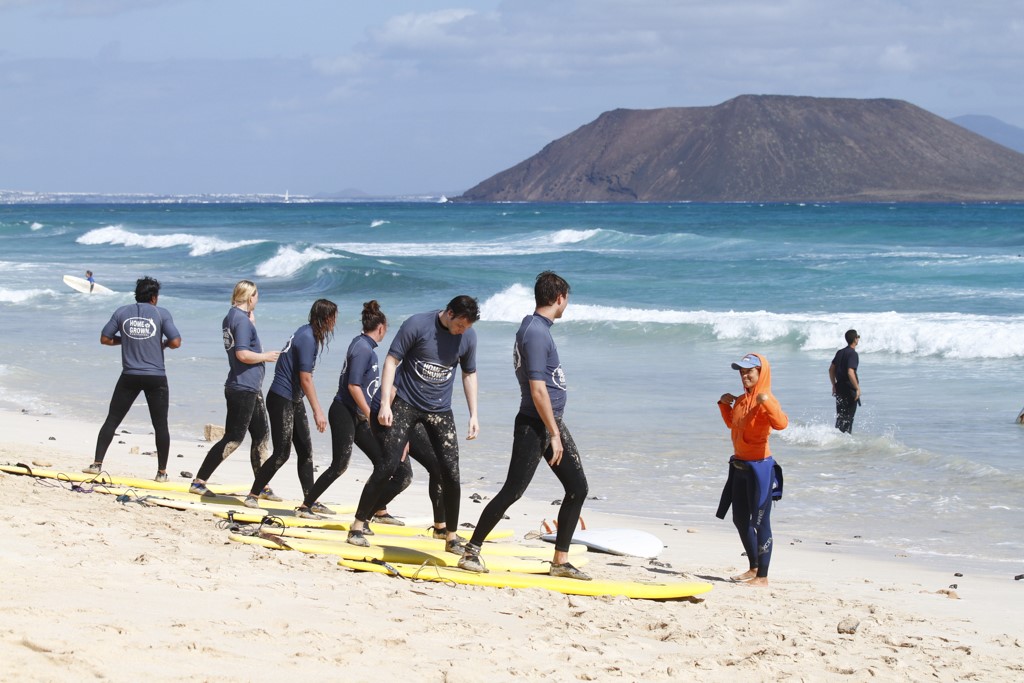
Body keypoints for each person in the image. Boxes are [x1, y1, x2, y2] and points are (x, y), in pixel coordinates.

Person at [458, 272, 591, 579]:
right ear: (559, 298)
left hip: (548, 423)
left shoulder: (537, 328)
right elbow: (538, 389)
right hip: (536, 425)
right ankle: (472, 550)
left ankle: (560, 561)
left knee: (577, 488)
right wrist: (554, 434)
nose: (567, 304)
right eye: (567, 299)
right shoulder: (535, 332)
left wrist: (554, 428)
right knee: (513, 490)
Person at [366, 295, 480, 554]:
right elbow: (392, 363)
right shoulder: (417, 324)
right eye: (461, 325)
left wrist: (474, 414)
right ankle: (360, 523)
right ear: (449, 313)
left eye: (468, 327)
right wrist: (385, 405)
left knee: (449, 472)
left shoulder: (468, 337)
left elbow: (469, 373)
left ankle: (448, 534)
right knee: (390, 466)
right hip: (406, 406)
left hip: (439, 410)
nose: (463, 331)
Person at [296, 300, 409, 520]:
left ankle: (379, 508)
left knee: (383, 462)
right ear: (381, 328)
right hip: (344, 412)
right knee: (339, 464)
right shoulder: (362, 348)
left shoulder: (365, 347)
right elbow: (353, 386)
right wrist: (369, 414)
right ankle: (305, 506)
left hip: (357, 415)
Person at [84, 276, 182, 481]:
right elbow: (176, 342)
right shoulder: (161, 314)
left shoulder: (122, 312)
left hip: (129, 375)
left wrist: (125, 339)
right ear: (154, 298)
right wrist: (161, 344)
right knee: (160, 425)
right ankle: (162, 473)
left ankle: (96, 464)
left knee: (112, 419)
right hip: (155, 377)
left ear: (137, 295)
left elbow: (105, 339)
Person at [243, 299, 337, 510]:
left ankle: (310, 500)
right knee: (282, 452)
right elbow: (306, 379)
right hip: (281, 398)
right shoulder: (307, 338)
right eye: (334, 318)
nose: (335, 323)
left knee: (305, 450)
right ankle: (253, 494)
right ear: (326, 318)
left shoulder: (309, 333)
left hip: (292, 399)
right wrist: (318, 411)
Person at [189, 281, 280, 497]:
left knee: (261, 437)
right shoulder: (241, 321)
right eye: (257, 296)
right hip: (243, 387)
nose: (258, 300)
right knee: (233, 438)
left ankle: (262, 486)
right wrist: (266, 357)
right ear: (250, 298)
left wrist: (252, 324)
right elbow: (242, 354)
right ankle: (199, 481)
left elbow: (244, 343)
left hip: (248, 387)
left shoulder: (232, 317)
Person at [716, 353, 788, 587]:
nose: (744, 375)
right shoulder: (741, 400)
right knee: (739, 518)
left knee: (761, 522)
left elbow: (782, 424)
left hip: (760, 468)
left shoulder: (766, 399)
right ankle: (753, 567)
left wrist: (765, 401)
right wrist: (724, 405)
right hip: (739, 466)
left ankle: (763, 576)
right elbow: (734, 425)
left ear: (761, 373)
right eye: (742, 371)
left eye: (750, 371)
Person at [829, 329, 861, 433]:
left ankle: (837, 442)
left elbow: (831, 369)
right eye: (858, 337)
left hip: (839, 388)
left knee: (840, 418)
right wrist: (857, 388)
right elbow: (850, 372)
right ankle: (846, 445)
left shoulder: (840, 352)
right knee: (848, 419)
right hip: (849, 389)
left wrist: (834, 385)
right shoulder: (853, 354)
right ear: (855, 339)